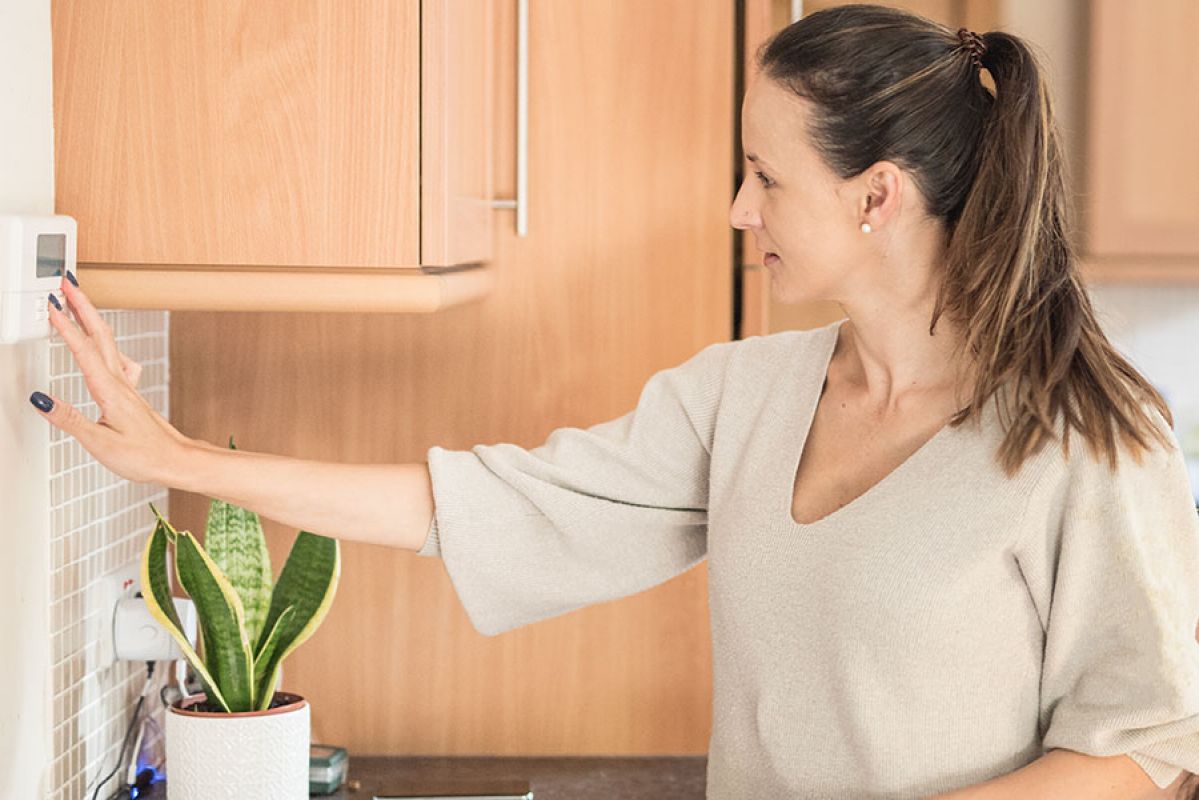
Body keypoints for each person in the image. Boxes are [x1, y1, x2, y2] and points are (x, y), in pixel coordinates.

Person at [30, 4, 1199, 798]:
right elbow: (481, 501)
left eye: (765, 176)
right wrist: (185, 458)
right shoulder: (743, 398)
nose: (739, 210)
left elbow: (1140, 752)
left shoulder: (1087, 439)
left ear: (875, 197)